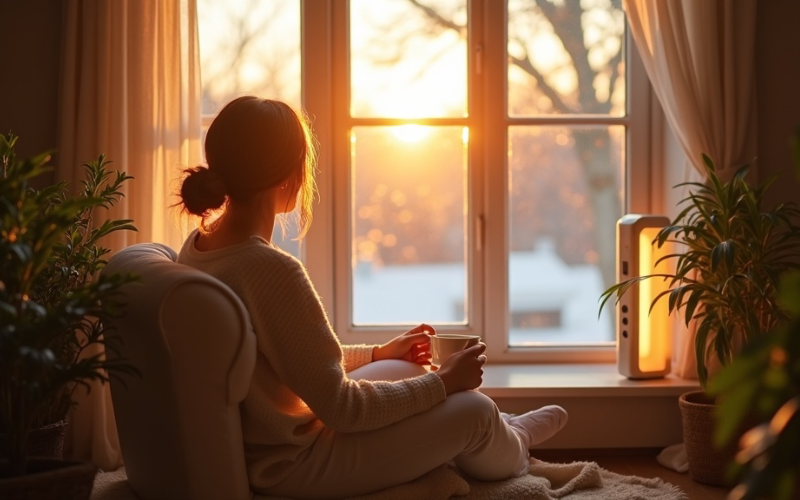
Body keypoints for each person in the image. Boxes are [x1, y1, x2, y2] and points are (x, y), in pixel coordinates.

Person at [176, 95, 568, 499]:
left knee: (411, 371)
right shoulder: (269, 269)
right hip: (290, 465)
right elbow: (342, 408)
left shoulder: (200, 247)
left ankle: (498, 431)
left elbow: (288, 359)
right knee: (477, 412)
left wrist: (378, 354)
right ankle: (511, 439)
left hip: (279, 444)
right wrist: (446, 383)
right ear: (287, 174)